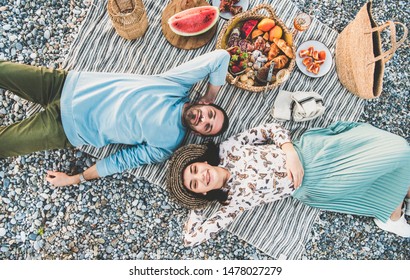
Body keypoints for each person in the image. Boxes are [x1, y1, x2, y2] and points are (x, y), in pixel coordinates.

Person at [0, 50, 230, 187]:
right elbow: (221, 57)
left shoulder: (167, 145)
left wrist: (75, 179)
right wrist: (210, 96)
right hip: (64, 84)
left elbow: (120, 161)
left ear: (198, 133)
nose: (203, 119)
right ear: (205, 105)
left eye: (207, 127)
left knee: (4, 144)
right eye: (210, 113)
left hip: (65, 128)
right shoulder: (177, 85)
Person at [166, 122, 410, 247]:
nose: (201, 177)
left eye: (195, 170)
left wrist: (289, 151)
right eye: (195, 184)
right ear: (204, 191)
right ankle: (391, 212)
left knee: (393, 148)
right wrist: (195, 207)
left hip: (310, 150)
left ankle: (394, 206)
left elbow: (270, 129)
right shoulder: (232, 203)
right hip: (314, 182)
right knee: (398, 154)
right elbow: (191, 238)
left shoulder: (229, 149)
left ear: (203, 162)